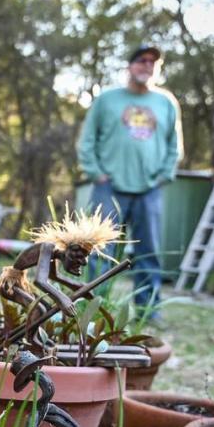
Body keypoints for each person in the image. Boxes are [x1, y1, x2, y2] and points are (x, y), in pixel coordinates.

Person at [77, 44, 183, 316]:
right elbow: (87, 140)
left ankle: (149, 310)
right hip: (109, 186)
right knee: (100, 249)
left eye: (152, 62)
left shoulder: (165, 102)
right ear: (130, 66)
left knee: (148, 252)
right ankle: (96, 308)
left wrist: (163, 175)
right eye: (141, 61)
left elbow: (174, 146)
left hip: (149, 189)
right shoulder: (107, 100)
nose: (147, 66)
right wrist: (95, 173)